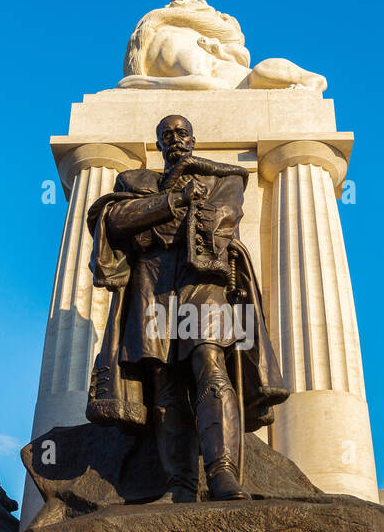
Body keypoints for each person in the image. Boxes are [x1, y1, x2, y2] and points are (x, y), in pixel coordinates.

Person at [85, 114, 287, 502]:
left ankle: (222, 473)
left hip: (203, 279)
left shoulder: (224, 178)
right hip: (153, 283)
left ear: (193, 139)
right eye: (167, 135)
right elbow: (116, 221)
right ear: (159, 144)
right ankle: (178, 483)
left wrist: (154, 223)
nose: (175, 139)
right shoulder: (134, 181)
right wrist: (174, 201)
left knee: (209, 362)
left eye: (182, 133)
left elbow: (221, 222)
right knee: (164, 381)